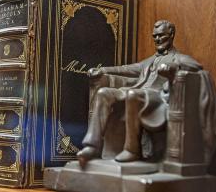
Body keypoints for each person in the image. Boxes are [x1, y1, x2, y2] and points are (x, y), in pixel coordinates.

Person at [77, 20, 203, 166]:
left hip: (157, 98)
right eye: (155, 36)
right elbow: (127, 68)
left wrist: (174, 66)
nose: (157, 39)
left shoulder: (178, 57)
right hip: (138, 92)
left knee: (132, 95)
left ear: (171, 35)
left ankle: (132, 150)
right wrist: (103, 70)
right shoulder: (150, 60)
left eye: (161, 35)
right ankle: (92, 147)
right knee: (103, 93)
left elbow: (197, 66)